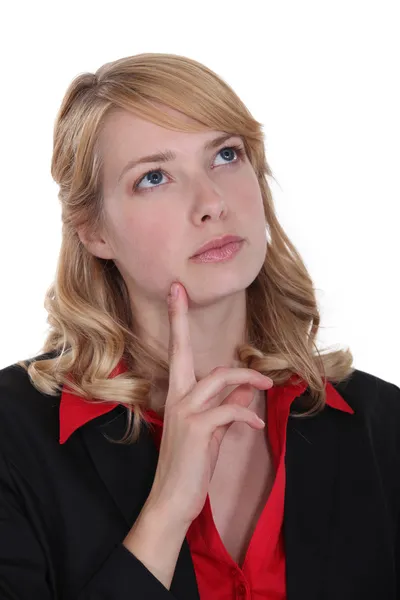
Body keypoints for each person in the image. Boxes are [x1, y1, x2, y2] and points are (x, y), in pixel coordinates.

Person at [0, 52, 399, 600]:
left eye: (226, 155)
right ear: (94, 231)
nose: (211, 201)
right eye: (154, 177)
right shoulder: (12, 437)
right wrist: (166, 512)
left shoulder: (384, 428)